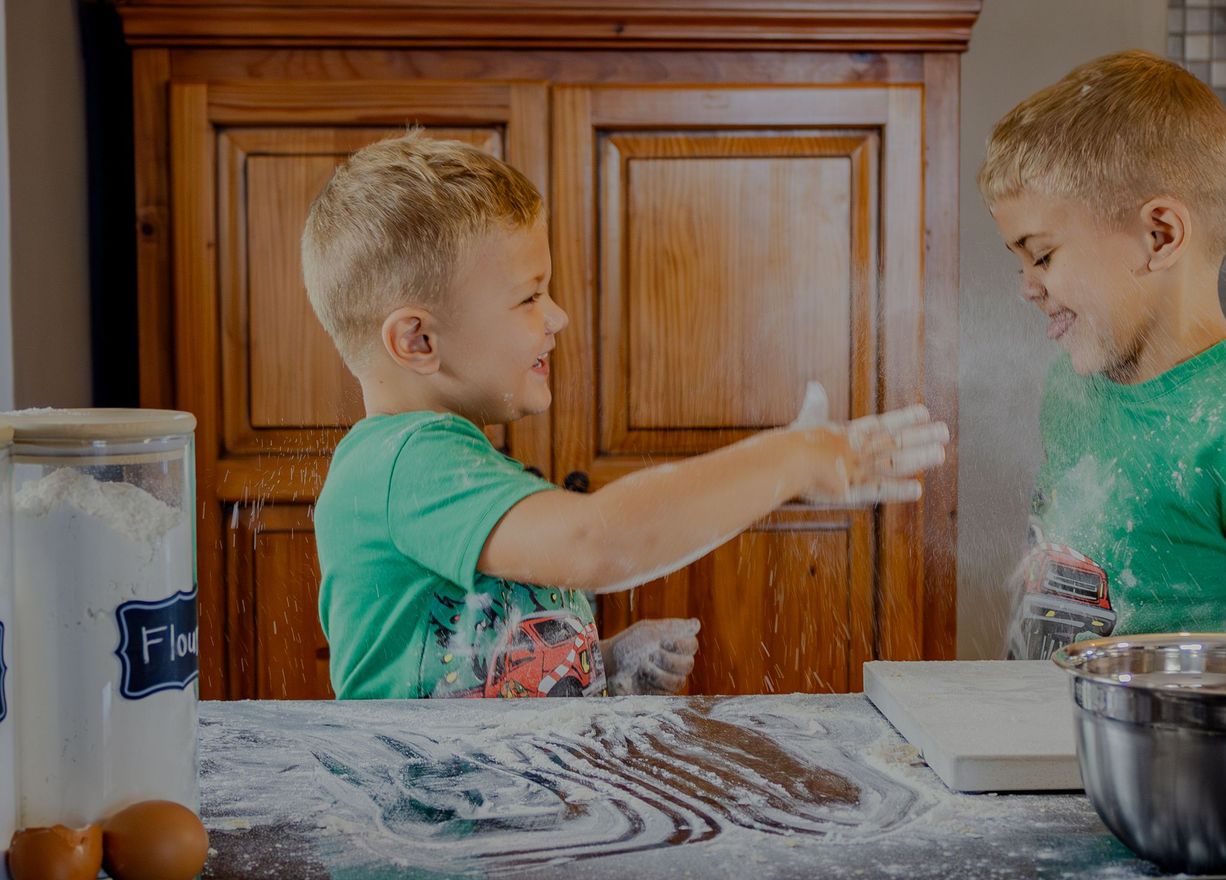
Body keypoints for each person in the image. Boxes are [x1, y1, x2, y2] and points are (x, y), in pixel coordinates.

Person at [303, 132, 948, 698]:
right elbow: (596, 542)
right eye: (529, 297)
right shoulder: (406, 462)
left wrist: (598, 664)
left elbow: (467, 671)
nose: (556, 317)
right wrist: (792, 457)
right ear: (417, 340)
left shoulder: (445, 462)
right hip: (430, 839)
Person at [978, 51, 1226, 659]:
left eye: (1043, 255)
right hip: (1052, 741)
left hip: (1177, 752)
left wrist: (1133, 674)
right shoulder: (1071, 387)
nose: (1027, 286)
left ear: (1159, 235)